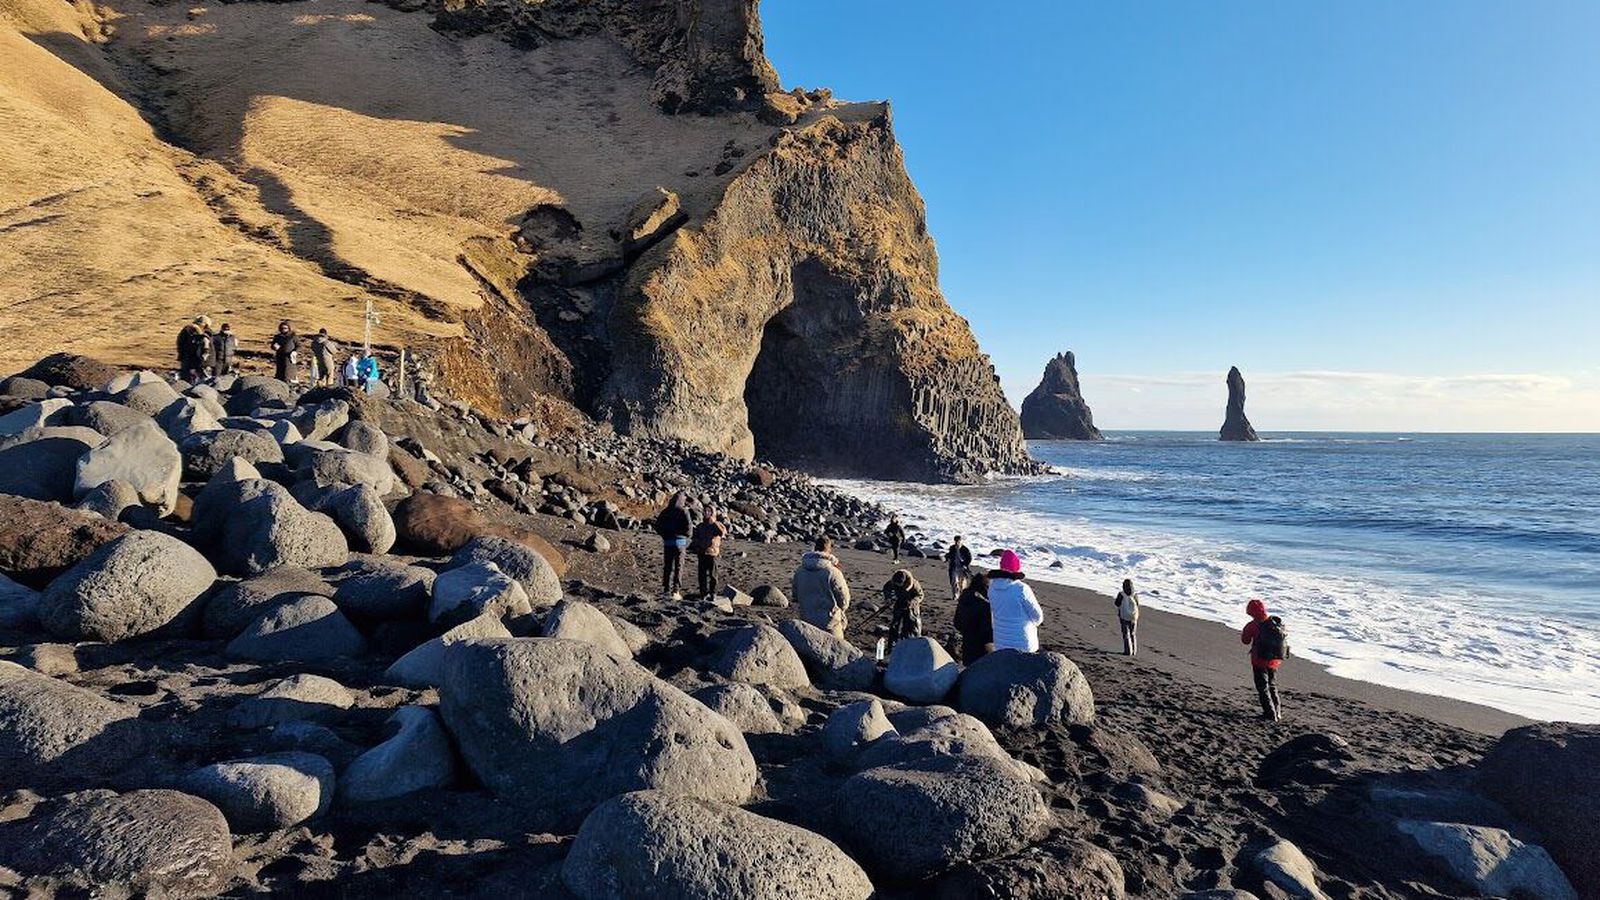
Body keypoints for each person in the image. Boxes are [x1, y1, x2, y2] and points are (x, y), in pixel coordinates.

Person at [792, 537, 851, 639]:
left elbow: (795, 596)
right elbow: (844, 600)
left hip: (806, 621)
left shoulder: (800, 571)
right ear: (829, 550)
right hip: (829, 624)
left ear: (815, 548)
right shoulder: (833, 572)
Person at [1241, 599, 1288, 721]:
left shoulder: (1252, 625)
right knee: (1272, 686)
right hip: (1275, 661)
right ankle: (1277, 713)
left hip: (1259, 660)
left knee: (1262, 688)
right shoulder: (1276, 623)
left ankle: (1270, 714)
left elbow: (1245, 640)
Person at [988, 549, 1043, 652]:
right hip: (1023, 643)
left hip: (1000, 643)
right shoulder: (1021, 588)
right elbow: (1038, 617)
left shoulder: (992, 587)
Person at [654, 491, 692, 600]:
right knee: (679, 567)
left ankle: (666, 589)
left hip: (668, 542)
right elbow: (689, 529)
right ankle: (676, 590)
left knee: (668, 566)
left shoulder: (666, 511)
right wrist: (685, 537)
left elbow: (657, 525)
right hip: (680, 542)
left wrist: (664, 535)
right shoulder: (683, 511)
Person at [953, 572, 993, 664]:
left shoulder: (963, 599)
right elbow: (987, 633)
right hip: (981, 650)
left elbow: (957, 623)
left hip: (967, 645)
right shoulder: (985, 605)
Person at [689, 506, 728, 599]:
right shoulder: (700, 526)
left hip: (712, 553)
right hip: (702, 553)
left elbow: (723, 533)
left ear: (713, 513)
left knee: (713, 575)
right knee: (701, 575)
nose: (706, 513)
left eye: (709, 511)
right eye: (705, 511)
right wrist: (696, 546)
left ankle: (713, 593)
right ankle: (703, 593)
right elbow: (695, 537)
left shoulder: (717, 524)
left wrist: (714, 523)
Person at [882, 569, 924, 645]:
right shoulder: (893, 581)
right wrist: (888, 598)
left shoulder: (914, 584)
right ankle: (892, 644)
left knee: (910, 626)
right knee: (895, 624)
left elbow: (920, 596)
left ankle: (908, 643)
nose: (897, 586)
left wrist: (911, 602)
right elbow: (886, 589)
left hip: (911, 607)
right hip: (899, 603)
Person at [1115, 578, 1140, 656]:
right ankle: (1134, 651)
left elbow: (1117, 603)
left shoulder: (1121, 594)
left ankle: (1128, 651)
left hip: (1124, 616)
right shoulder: (1135, 594)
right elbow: (1137, 604)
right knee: (1133, 634)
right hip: (1133, 617)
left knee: (1126, 634)